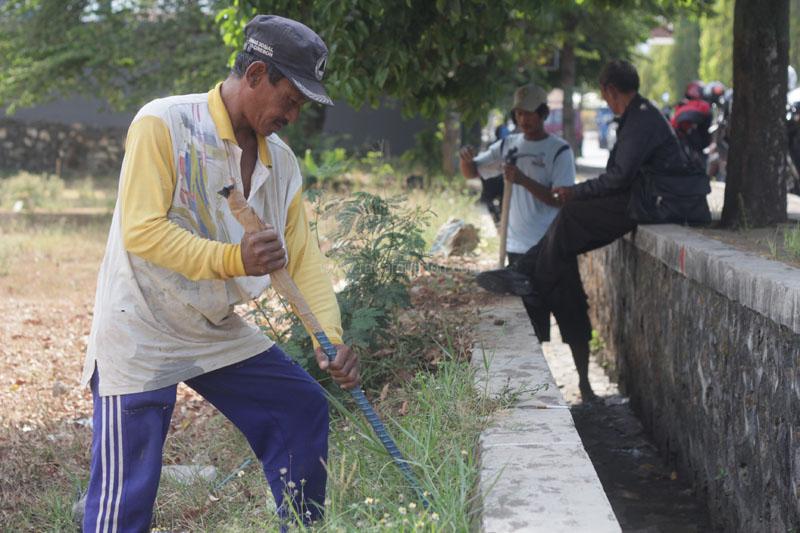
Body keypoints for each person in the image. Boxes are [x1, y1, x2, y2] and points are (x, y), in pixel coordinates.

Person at [79, 14, 359, 531]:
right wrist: (235, 260)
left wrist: (328, 336)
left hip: (213, 327)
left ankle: (300, 527)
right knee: (126, 493)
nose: (293, 116)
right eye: (290, 100)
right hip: (139, 322)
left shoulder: (283, 165)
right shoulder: (162, 123)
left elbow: (303, 258)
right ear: (255, 75)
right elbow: (141, 230)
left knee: (300, 409)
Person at [476, 60, 711, 377]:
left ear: (610, 90)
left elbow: (618, 178)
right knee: (570, 222)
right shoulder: (637, 115)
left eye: (603, 95)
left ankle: (528, 274)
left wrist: (576, 192)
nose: (604, 101)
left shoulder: (640, 120)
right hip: (647, 196)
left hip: (658, 203)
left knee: (572, 215)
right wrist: (579, 193)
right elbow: (620, 178)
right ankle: (527, 272)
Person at [460, 84, 597, 401]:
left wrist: (522, 179)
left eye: (530, 113)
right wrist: (465, 159)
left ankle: (585, 386)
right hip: (518, 252)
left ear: (543, 114)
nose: (524, 119)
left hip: (554, 249)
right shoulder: (507, 145)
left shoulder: (559, 150)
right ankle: (537, 391)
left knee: (574, 318)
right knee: (529, 327)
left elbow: (560, 200)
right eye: (519, 113)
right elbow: (472, 172)